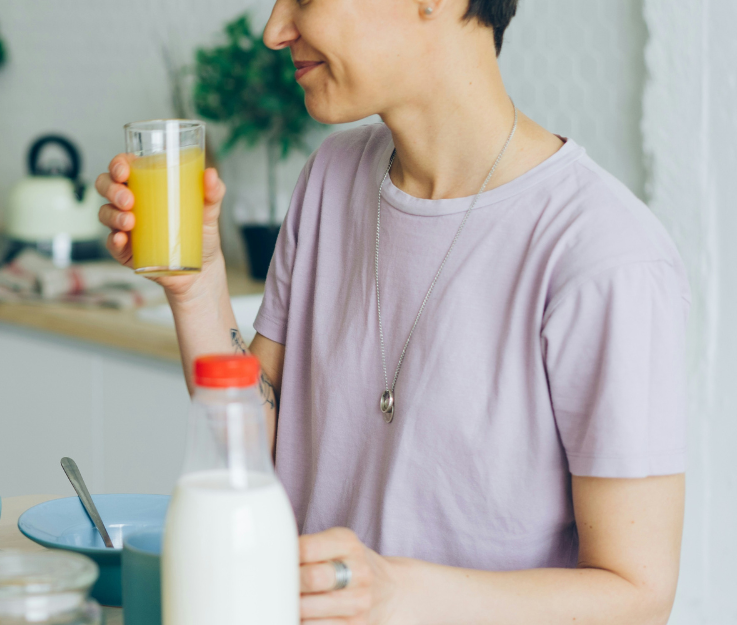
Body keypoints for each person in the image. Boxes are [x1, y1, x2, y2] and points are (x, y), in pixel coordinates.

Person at [98, 1, 686, 622]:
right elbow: (252, 451)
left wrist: (398, 594)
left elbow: (637, 596)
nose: (276, 30)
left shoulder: (604, 255)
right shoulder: (331, 176)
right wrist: (196, 287)